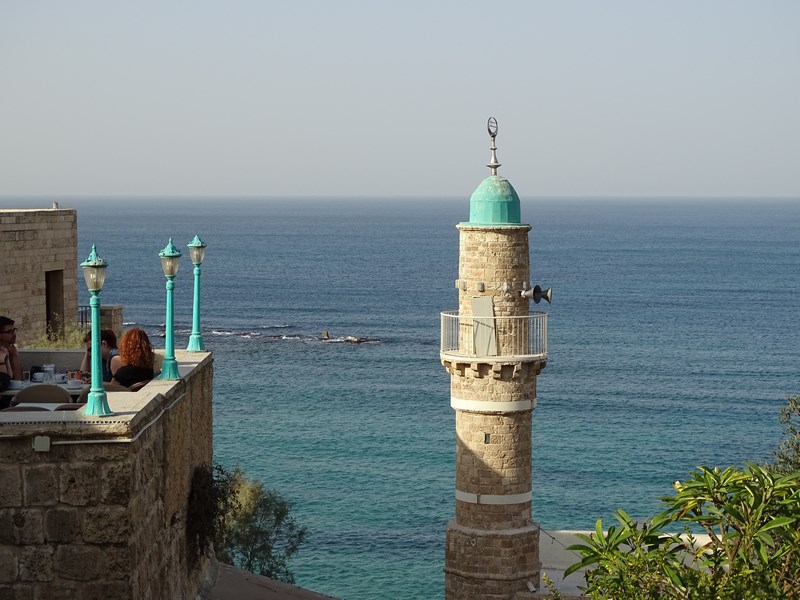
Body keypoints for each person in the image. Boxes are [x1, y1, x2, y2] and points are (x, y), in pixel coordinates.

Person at [0, 316, 23, 384]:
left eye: (14, 330)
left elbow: (18, 381)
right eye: (10, 331)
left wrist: (14, 354)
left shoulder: (9, 349)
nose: (14, 334)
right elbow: (4, 382)